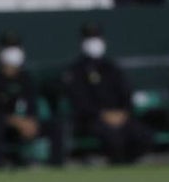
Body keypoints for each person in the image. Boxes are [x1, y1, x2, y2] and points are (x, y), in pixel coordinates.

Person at [61, 23, 153, 165]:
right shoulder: (76, 70)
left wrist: (123, 113)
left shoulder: (112, 67)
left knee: (144, 135)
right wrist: (103, 114)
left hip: (120, 116)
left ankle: (128, 163)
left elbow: (126, 94)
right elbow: (80, 101)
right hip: (93, 119)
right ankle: (117, 165)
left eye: (97, 38)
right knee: (114, 138)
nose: (94, 43)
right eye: (90, 39)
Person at [0, 32, 63, 171]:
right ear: (0, 52)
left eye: (16, 48)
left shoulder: (25, 77)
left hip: (22, 124)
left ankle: (56, 166)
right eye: (9, 48)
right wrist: (15, 121)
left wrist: (30, 121)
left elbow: (32, 103)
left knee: (55, 126)